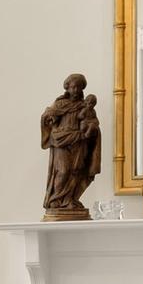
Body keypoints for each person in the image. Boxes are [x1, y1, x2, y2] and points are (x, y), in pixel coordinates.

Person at [42, 73, 102, 219]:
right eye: (73, 87)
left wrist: (92, 129)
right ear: (67, 87)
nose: (75, 90)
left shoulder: (85, 106)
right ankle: (56, 200)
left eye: (78, 87)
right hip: (61, 141)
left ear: (82, 88)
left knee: (76, 170)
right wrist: (49, 118)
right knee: (63, 170)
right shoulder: (60, 104)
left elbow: (93, 122)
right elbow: (47, 116)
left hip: (79, 142)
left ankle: (70, 200)